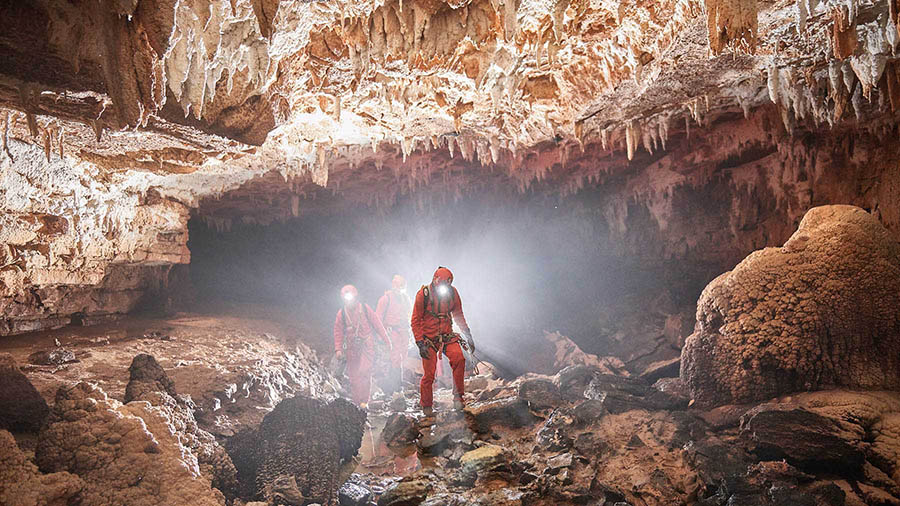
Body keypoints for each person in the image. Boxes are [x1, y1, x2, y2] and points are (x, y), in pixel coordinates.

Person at [411, 266, 475, 415]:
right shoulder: (423, 294)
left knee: (459, 359)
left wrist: (468, 334)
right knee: (429, 374)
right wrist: (420, 343)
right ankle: (427, 405)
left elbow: (458, 314)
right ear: (435, 280)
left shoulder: (452, 293)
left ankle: (458, 398)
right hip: (429, 340)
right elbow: (415, 321)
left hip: (447, 336)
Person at [334, 284, 392, 407]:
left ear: (355, 297)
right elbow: (338, 332)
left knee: (364, 371)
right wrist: (338, 349)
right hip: (351, 348)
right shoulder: (342, 313)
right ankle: (357, 404)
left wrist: (387, 341)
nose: (349, 302)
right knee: (354, 377)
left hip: (366, 345)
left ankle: (364, 402)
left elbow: (377, 324)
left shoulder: (364, 309)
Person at [375, 274, 413, 396]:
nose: (399, 287)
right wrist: (381, 335)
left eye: (401, 285)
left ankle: (394, 385)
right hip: (392, 331)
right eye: (398, 285)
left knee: (402, 357)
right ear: (393, 284)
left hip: (404, 332)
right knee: (395, 358)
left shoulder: (406, 299)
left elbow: (410, 315)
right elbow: (378, 318)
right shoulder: (385, 299)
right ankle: (396, 386)